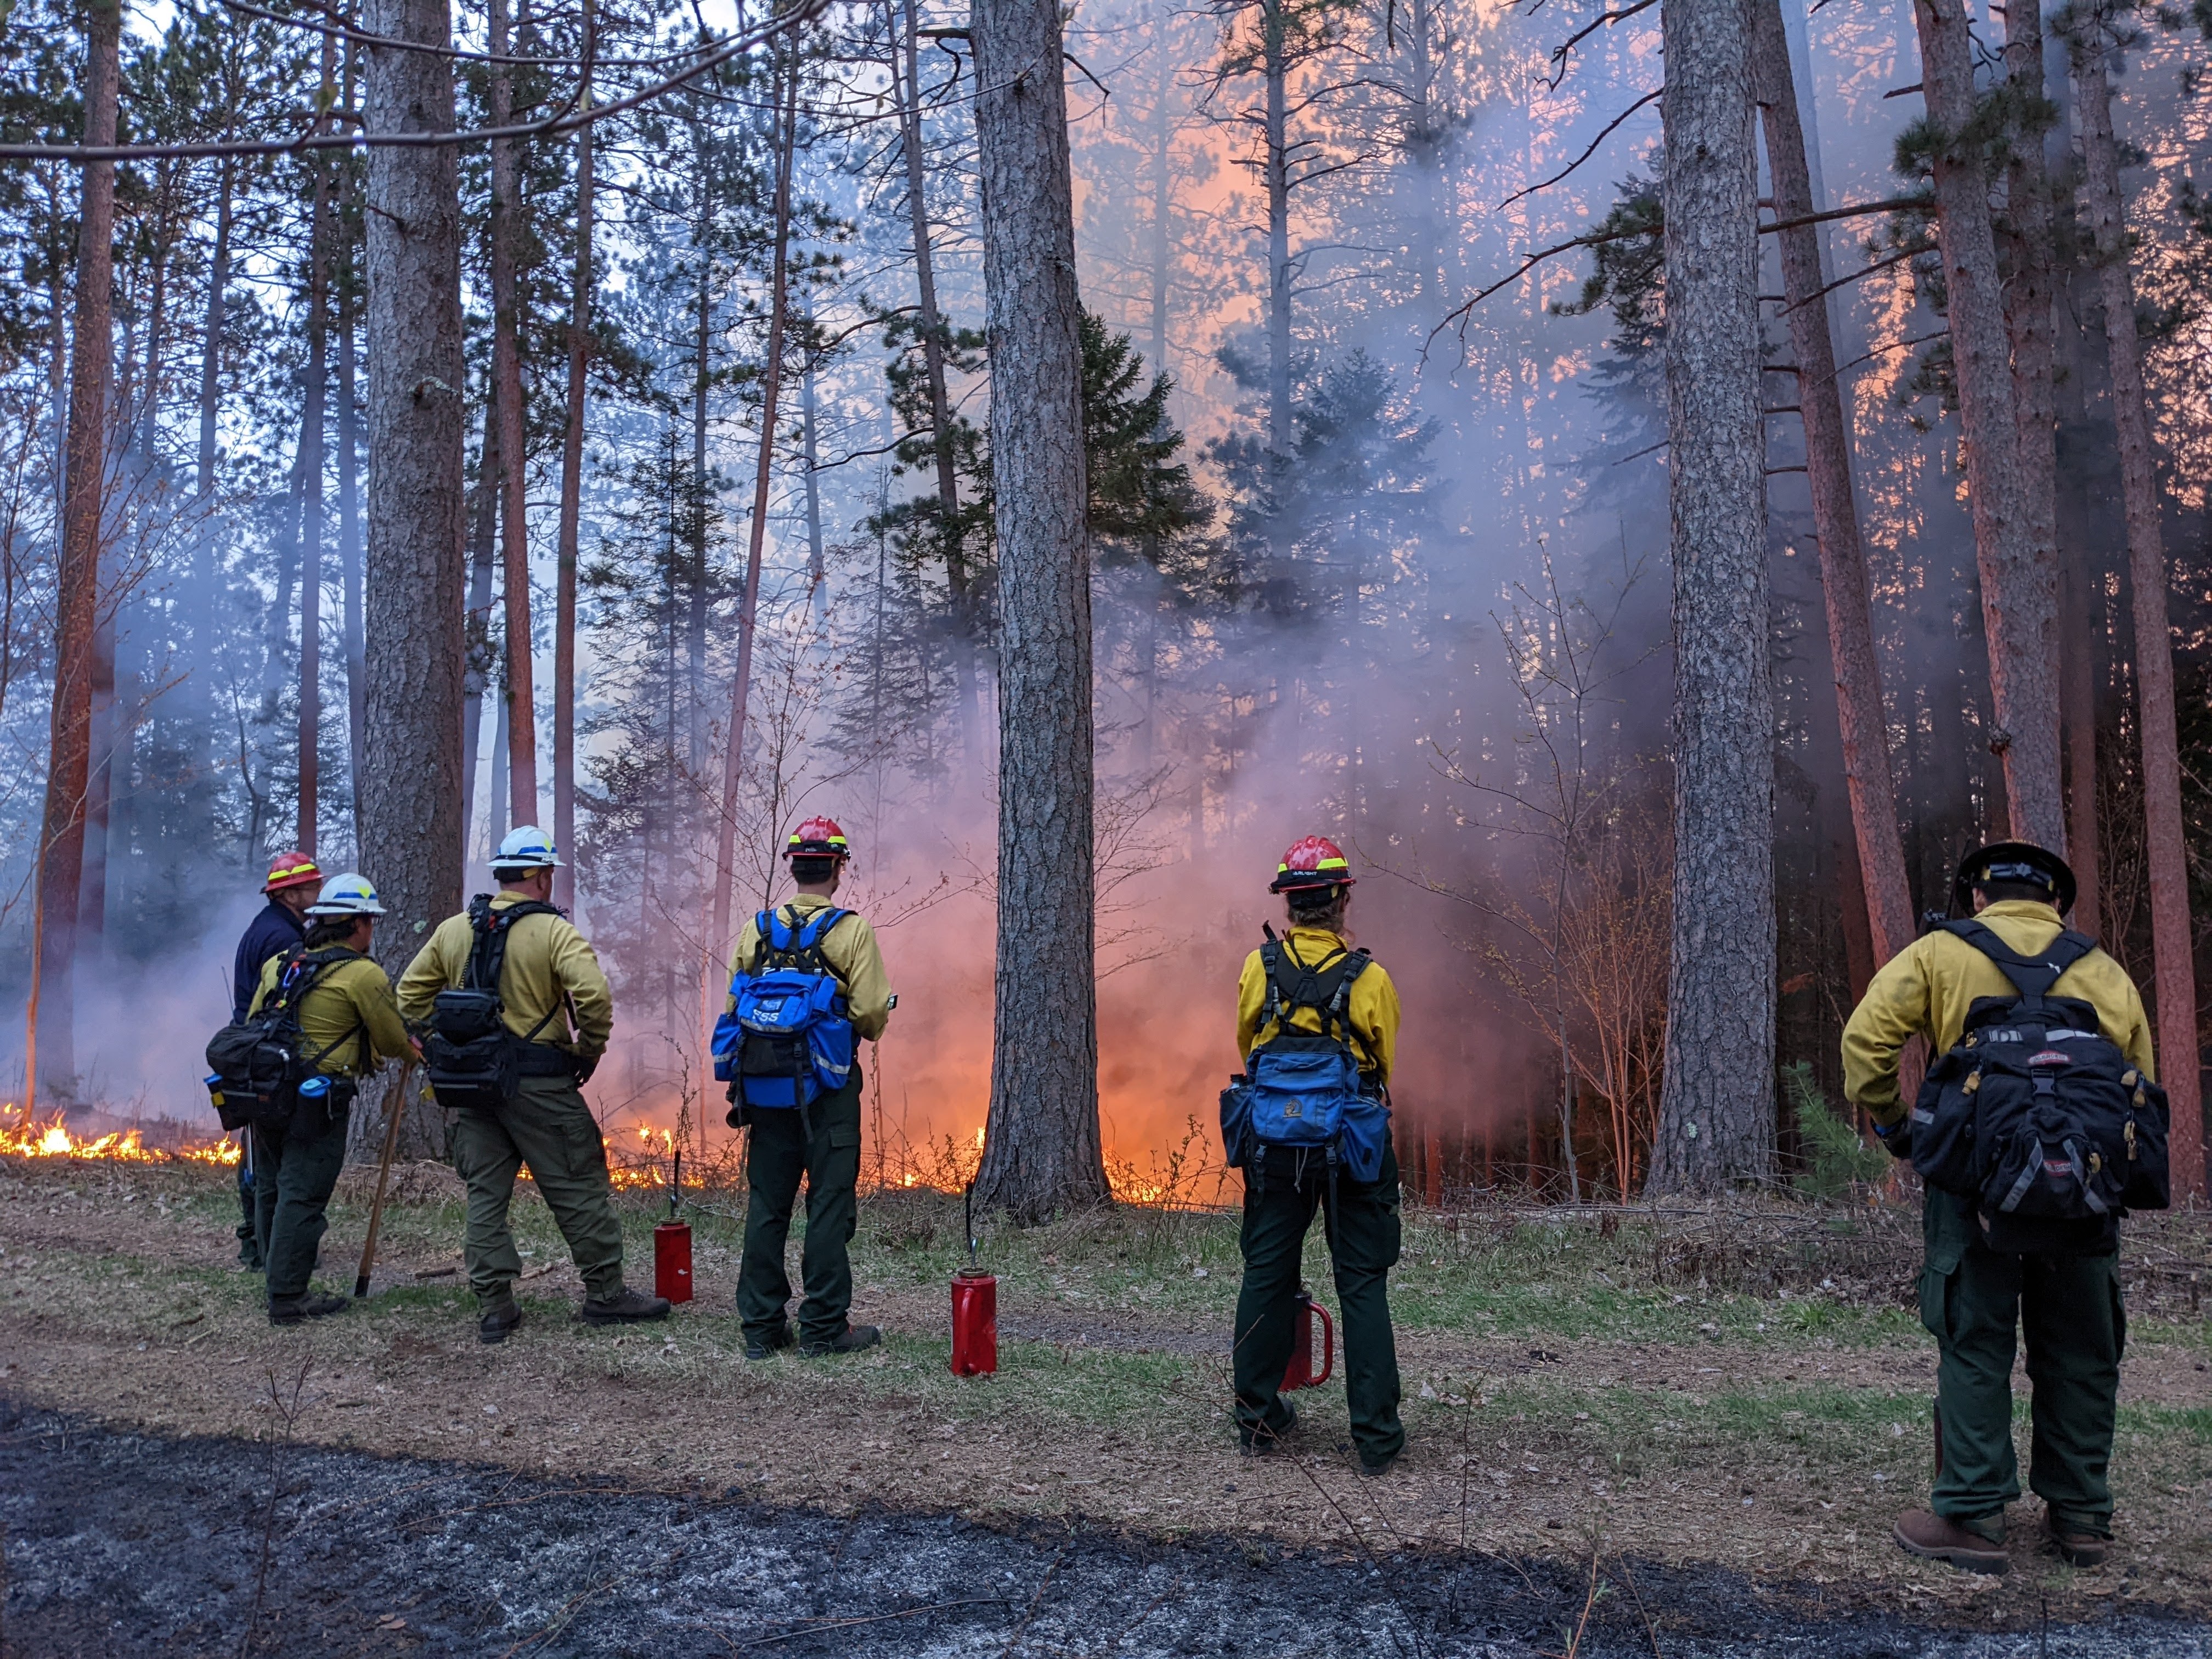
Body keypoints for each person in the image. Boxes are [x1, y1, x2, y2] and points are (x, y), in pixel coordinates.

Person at [1843, 841, 2154, 1575]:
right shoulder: (2101, 968)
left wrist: (1897, 1129)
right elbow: (2139, 1081)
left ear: (1978, 898)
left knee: (1974, 1340)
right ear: (2056, 902)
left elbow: (1865, 1047)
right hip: (2084, 1189)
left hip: (1972, 1182)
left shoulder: (1940, 954)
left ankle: (1973, 1517)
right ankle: (2081, 1520)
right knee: (2081, 1347)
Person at [399, 827, 667, 1344]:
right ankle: (607, 1294)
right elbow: (592, 995)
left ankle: (495, 1306)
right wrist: (589, 1048)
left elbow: (409, 997)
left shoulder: (454, 930)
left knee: (485, 1193)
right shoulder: (553, 932)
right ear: (543, 877)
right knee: (577, 1181)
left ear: (501, 875)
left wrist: (439, 1047)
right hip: (539, 1083)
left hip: (473, 1089)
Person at [1229, 835, 1407, 1475]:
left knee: (1267, 1271)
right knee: (1360, 1282)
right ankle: (1377, 1439)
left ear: (1288, 903)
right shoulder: (1371, 977)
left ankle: (1258, 1420)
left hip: (1274, 1146)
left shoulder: (1259, 968)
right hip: (1353, 1145)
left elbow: (1248, 1042)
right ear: (1340, 899)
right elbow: (1383, 1062)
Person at [729, 817, 895, 1361]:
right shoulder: (851, 931)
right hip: (829, 1091)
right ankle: (822, 1328)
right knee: (827, 1206)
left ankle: (760, 1327)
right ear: (837, 868)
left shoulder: (757, 929)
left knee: (768, 1205)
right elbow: (870, 1013)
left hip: (766, 1091)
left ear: (794, 866)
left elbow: (735, 1009)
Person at [245, 872, 414, 1325]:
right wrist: (415, 1048)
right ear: (357, 924)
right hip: (318, 1101)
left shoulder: (281, 963)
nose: (371, 931)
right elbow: (392, 1037)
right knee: (303, 1193)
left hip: (266, 1092)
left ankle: (272, 1274)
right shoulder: (363, 974)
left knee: (272, 1185)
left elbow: (253, 1018)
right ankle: (287, 1295)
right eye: (370, 922)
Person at [227, 850, 323, 1269]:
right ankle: (266, 1249)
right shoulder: (284, 939)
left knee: (260, 1157)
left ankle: (259, 1246)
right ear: (290, 893)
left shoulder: (266, 927)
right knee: (275, 1163)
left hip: (254, 1055)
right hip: (271, 1058)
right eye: (312, 887)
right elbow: (285, 1004)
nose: (318, 892)